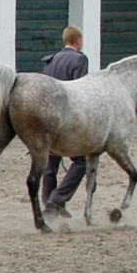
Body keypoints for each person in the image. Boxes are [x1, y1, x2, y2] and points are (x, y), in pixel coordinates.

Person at [40, 26, 90, 218]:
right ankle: (58, 199)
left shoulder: (50, 61)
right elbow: (81, 91)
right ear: (78, 40)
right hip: (67, 120)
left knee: (50, 163)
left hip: (47, 118)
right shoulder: (80, 59)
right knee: (82, 160)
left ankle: (48, 203)